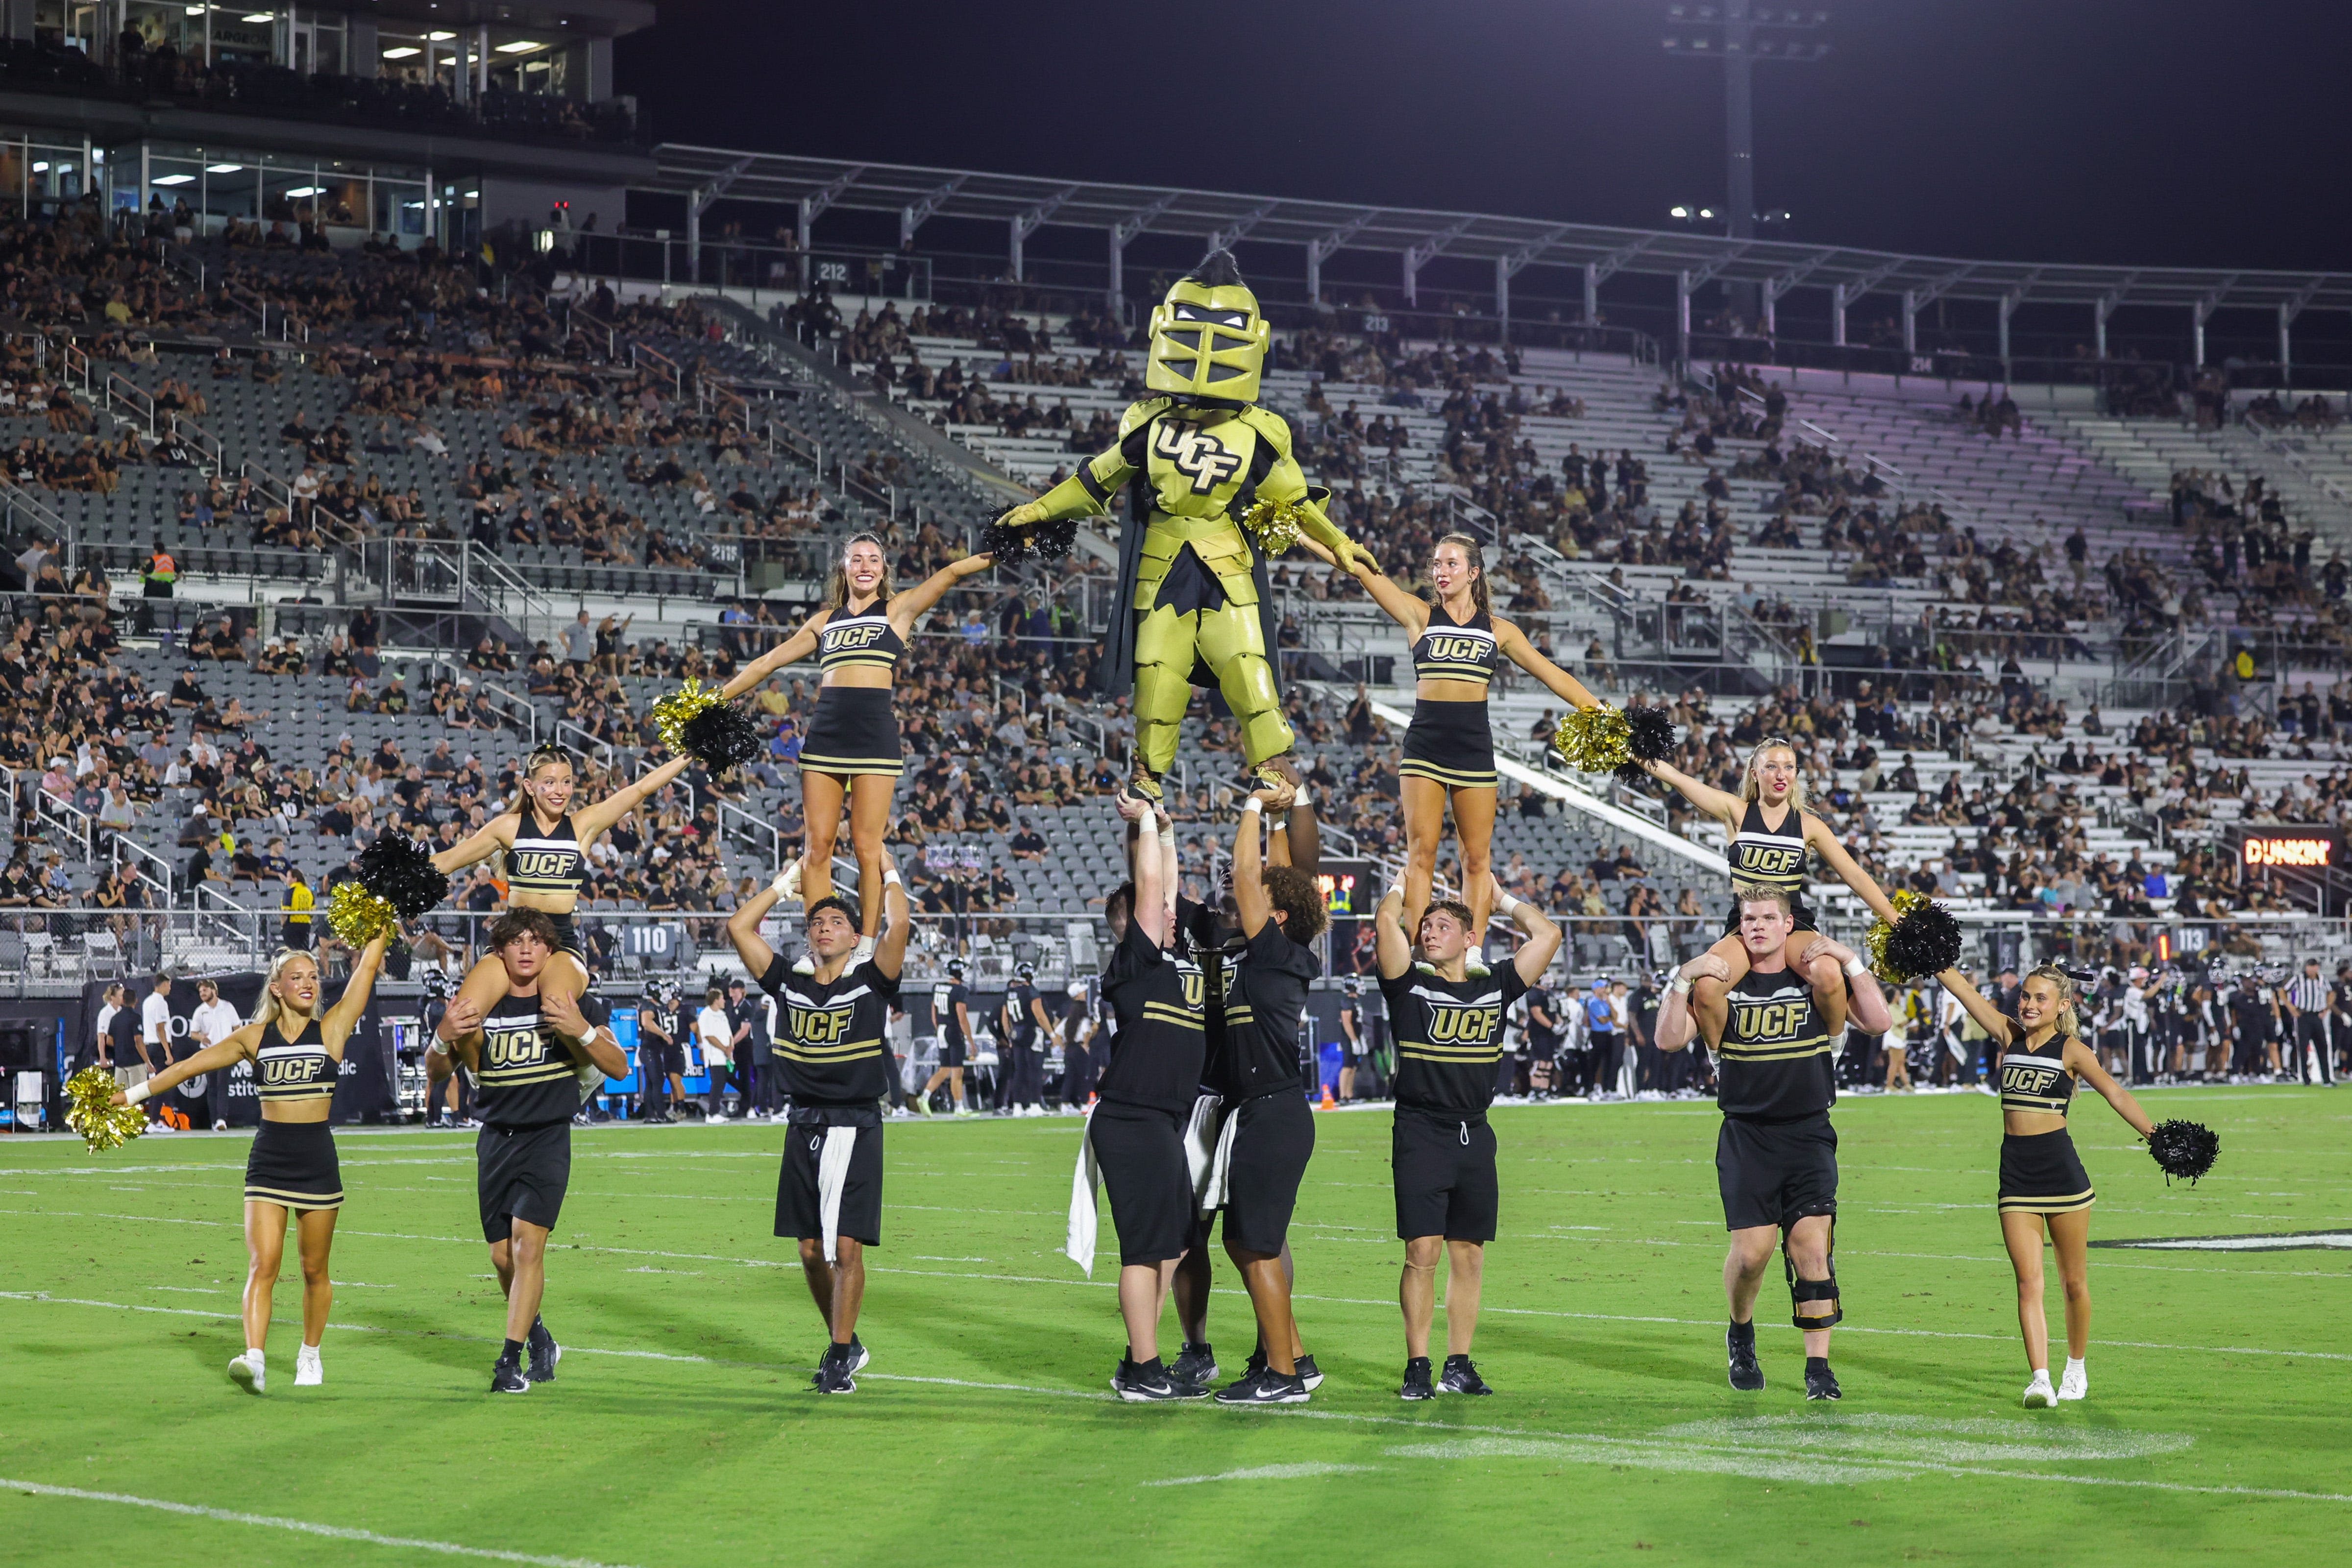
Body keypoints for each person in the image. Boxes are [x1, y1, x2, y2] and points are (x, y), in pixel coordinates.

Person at [992, 251, 1372, 802]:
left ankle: (1268, 760)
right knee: (1159, 671)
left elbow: (1291, 499)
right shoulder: (1149, 424)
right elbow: (1096, 480)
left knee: (1246, 661)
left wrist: (1341, 543)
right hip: (1167, 556)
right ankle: (1148, 775)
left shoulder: (1257, 431)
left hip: (1222, 556)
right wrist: (1039, 509)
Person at [113, 932, 393, 1392]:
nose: (309, 984)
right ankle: (256, 1359)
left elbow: (364, 970)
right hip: (269, 1160)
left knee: (314, 1271)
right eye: (297, 977)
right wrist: (130, 1096)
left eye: (314, 977)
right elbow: (188, 1067)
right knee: (263, 1264)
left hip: (317, 1159)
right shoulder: (252, 1037)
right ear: (277, 987)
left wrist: (381, 921)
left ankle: (310, 1356)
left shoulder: (335, 1027)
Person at [1653, 885, 1891, 1402]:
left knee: (1812, 1251)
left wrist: (1849, 958)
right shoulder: (1722, 986)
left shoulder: (1817, 981)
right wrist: (1681, 978)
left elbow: (1879, 1021)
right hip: (1747, 1135)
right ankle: (1741, 1329)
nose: (1757, 926)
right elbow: (1668, 1039)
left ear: (1789, 925)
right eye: (1748, 918)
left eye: (1767, 917)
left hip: (1808, 1131)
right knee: (1754, 1254)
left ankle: (1819, 1369)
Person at [1318, 530, 1599, 947]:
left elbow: (1552, 674)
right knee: (1422, 855)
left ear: (1473, 572)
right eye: (1436, 564)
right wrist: (1306, 533)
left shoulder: (1499, 630)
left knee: (1476, 859)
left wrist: (1601, 714)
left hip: (1474, 750)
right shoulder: (1420, 615)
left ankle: (1471, 953)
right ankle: (1420, 951)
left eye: (1450, 564)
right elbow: (1360, 569)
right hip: (1425, 749)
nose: (1441, 572)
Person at [718, 534, 995, 948]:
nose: (865, 566)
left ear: (884, 570)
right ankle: (822, 940)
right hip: (826, 734)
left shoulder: (898, 611)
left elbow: (952, 572)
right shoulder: (823, 621)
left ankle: (864, 944)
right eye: (856, 559)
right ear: (843, 569)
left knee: (867, 847)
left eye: (874, 560)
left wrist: (1005, 548)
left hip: (874, 736)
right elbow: (766, 662)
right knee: (817, 849)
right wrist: (711, 702)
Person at [724, 851, 912, 1395]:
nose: (825, 927)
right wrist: (784, 885)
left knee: (845, 1248)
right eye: (817, 923)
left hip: (854, 1123)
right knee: (809, 1249)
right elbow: (739, 926)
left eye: (837, 923)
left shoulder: (872, 982)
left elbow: (898, 923)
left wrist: (889, 871)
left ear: (855, 938)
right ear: (809, 939)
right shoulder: (789, 983)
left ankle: (836, 1355)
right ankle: (847, 1341)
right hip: (802, 1120)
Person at [1935, 963, 2156, 1408]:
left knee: (2073, 1283)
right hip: (2015, 1174)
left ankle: (2075, 1367)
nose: (2030, 1005)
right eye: (2026, 996)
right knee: (2027, 1281)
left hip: (2061, 1174)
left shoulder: (2073, 1050)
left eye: (2040, 999)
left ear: (2062, 1006)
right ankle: (2040, 1378)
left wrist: (2157, 1136)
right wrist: (1923, 943)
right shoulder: (2008, 1035)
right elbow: (1961, 988)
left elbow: (2115, 1093)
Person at [1374, 873, 1561, 1399]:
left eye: (1442, 925)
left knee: (1470, 1254)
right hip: (1421, 1130)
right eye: (1426, 925)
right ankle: (1418, 1362)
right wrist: (1401, 883)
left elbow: (1547, 936)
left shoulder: (1493, 985)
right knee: (1422, 1251)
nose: (1429, 932)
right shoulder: (1411, 984)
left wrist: (1501, 899)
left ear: (1469, 936)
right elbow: (1386, 922)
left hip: (1475, 1133)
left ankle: (1458, 1362)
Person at [435, 909, 626, 1394]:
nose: (526, 949)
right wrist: (443, 1034)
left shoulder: (572, 998)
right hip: (496, 1136)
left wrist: (580, 1027)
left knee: (527, 1243)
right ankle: (539, 1337)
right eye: (515, 941)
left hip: (547, 1134)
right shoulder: (484, 1004)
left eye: (536, 941)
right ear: (498, 951)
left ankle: (507, 1361)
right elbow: (437, 1069)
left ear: (550, 951)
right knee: (503, 1257)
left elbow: (619, 1065)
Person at [1190, 780, 1329, 1405]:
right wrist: (1278, 813)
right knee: (1247, 1239)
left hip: (1271, 1111)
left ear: (1275, 916)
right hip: (1264, 1111)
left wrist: (1249, 804)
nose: (1242, 896)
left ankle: (1281, 1375)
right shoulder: (1272, 953)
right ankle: (1293, 1355)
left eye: (1259, 899)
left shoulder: (1276, 952)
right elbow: (1267, 871)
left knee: (1254, 1243)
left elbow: (1249, 872)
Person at [432, 743, 691, 1068]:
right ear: (530, 786)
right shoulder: (508, 827)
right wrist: (385, 877)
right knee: (463, 1015)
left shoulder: (583, 825)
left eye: (566, 782)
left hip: (560, 941)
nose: (560, 790)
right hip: (512, 938)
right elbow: (448, 860)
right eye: (550, 782)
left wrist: (688, 753)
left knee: (558, 1008)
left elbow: (640, 789)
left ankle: (583, 1075)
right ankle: (481, 1077)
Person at [1638, 739, 1903, 1039]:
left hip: (1793, 921)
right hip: (1746, 921)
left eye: (1789, 767)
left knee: (1828, 973)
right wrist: (1629, 749)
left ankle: (1832, 1044)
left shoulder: (1809, 825)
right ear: (1755, 773)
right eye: (1771, 767)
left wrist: (1896, 919)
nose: (1781, 775)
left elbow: (1855, 875)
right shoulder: (1735, 812)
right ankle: (1718, 1058)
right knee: (1709, 984)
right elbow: (1677, 778)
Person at [1084, 794, 1213, 1399]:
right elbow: (1153, 881)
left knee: (1175, 1241)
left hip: (1162, 1121)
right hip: (1132, 1117)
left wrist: (1163, 827)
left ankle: (1143, 1359)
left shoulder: (1174, 956)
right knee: (1143, 1248)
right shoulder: (1136, 958)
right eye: (1159, 906)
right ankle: (1142, 1367)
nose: (1171, 908)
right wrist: (1142, 821)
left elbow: (1168, 878)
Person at [917, 958, 974, 1115]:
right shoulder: (960, 991)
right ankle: (959, 1107)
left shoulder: (938, 987)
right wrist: (971, 1041)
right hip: (954, 1031)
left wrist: (939, 1028)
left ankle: (925, 1096)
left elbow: (934, 1012)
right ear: (959, 972)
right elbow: (962, 1018)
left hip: (941, 1029)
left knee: (944, 1070)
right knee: (957, 1072)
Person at [187, 977, 243, 1132]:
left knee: (222, 1084)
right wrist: (202, 1038)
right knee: (212, 1086)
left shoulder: (227, 1007)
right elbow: (193, 1033)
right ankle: (214, 1121)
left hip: (225, 1051)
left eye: (205, 990)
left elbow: (237, 1027)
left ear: (213, 990)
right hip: (208, 1052)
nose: (202, 994)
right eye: (200, 992)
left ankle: (221, 1119)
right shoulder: (200, 1011)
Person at [1337, 979, 1366, 1102]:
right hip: (1349, 1038)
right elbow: (1346, 1022)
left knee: (1353, 1067)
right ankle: (1343, 1095)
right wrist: (1354, 1040)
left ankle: (1349, 1094)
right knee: (1347, 1066)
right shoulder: (1347, 1001)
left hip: (1356, 1037)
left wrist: (1360, 1039)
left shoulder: (1355, 1001)